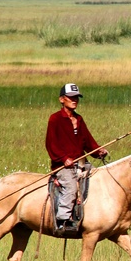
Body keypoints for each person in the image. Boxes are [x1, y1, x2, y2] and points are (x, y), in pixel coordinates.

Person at [45, 83, 107, 230]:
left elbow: (88, 142)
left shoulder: (79, 119)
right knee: (71, 186)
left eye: (77, 98)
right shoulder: (55, 119)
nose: (74, 100)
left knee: (99, 179)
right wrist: (63, 158)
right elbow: (51, 144)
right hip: (62, 166)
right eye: (71, 97)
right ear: (62, 99)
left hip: (80, 163)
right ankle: (63, 220)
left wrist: (99, 151)